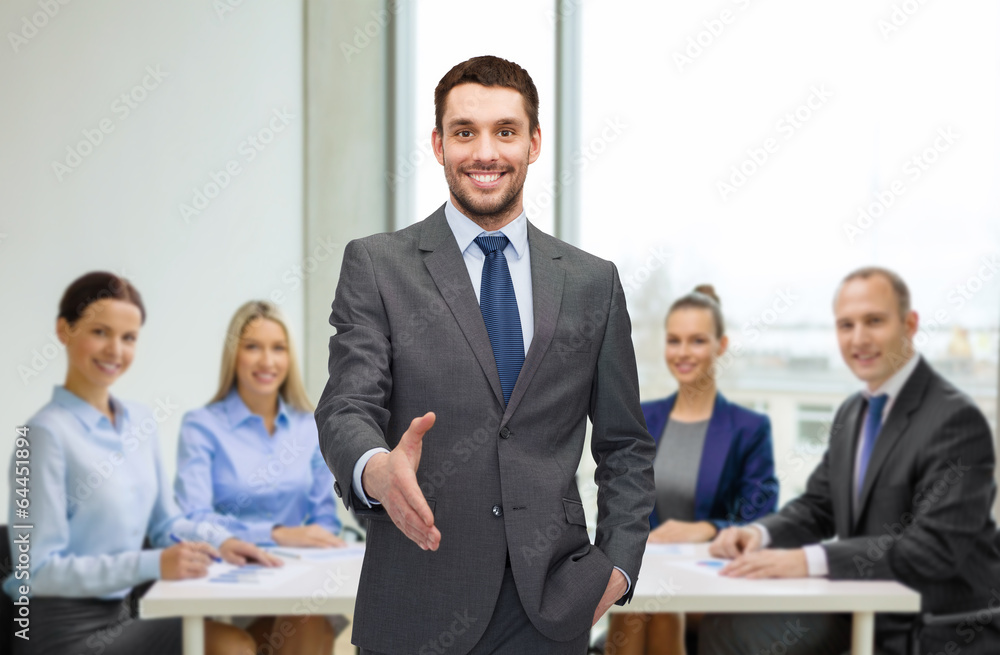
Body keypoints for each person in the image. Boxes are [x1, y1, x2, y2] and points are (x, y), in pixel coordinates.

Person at [315, 55, 656, 654]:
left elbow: (625, 444)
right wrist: (376, 469)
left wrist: (618, 571)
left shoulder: (591, 282)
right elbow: (346, 406)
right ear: (438, 144)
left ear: (534, 143)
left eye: (505, 131)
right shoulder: (377, 265)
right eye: (464, 132)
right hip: (416, 602)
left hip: (551, 608)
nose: (485, 152)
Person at [702, 267, 1000, 655]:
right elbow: (819, 506)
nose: (858, 339)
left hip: (935, 629)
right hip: (865, 607)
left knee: (737, 636)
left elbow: (934, 548)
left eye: (874, 321)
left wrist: (807, 560)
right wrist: (759, 535)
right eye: (846, 325)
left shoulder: (954, 418)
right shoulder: (852, 412)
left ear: (910, 324)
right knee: (724, 625)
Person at [3, 271, 279, 655]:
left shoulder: (139, 423)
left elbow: (166, 523)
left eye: (128, 338)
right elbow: (37, 571)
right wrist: (154, 564)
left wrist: (224, 541)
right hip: (60, 632)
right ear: (64, 330)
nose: (115, 350)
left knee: (269, 632)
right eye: (100, 332)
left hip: (122, 617)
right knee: (229, 645)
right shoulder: (42, 435)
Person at [606, 286, 778, 655]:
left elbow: (763, 514)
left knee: (659, 609)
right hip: (647, 574)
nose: (683, 352)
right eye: (675, 340)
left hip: (713, 579)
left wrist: (708, 527)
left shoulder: (749, 427)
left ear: (721, 345)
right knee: (640, 602)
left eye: (697, 340)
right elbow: (618, 497)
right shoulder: (643, 419)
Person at [175, 300, 342, 654]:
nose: (267, 361)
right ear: (234, 354)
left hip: (290, 585)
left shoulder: (308, 427)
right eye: (253, 347)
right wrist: (276, 535)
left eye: (278, 348)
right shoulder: (201, 427)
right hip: (222, 591)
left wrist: (320, 540)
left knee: (308, 624)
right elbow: (191, 519)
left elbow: (324, 520)